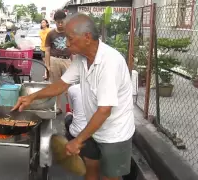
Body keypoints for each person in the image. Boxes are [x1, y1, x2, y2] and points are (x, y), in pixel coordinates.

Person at [12, 13, 135, 180]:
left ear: (87, 37)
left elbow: (105, 110)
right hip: (93, 128)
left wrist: (77, 141)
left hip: (114, 133)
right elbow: (61, 84)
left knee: (108, 177)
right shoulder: (82, 59)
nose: (67, 44)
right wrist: (31, 97)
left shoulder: (109, 63)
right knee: (90, 169)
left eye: (70, 39)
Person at [44, 10, 71, 115]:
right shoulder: (51, 34)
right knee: (56, 86)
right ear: (55, 22)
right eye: (58, 22)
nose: (60, 24)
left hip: (67, 60)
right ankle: (58, 108)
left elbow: (74, 48)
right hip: (54, 59)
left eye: (62, 22)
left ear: (65, 21)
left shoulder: (70, 32)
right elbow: (47, 50)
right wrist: (47, 66)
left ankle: (70, 108)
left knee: (69, 86)